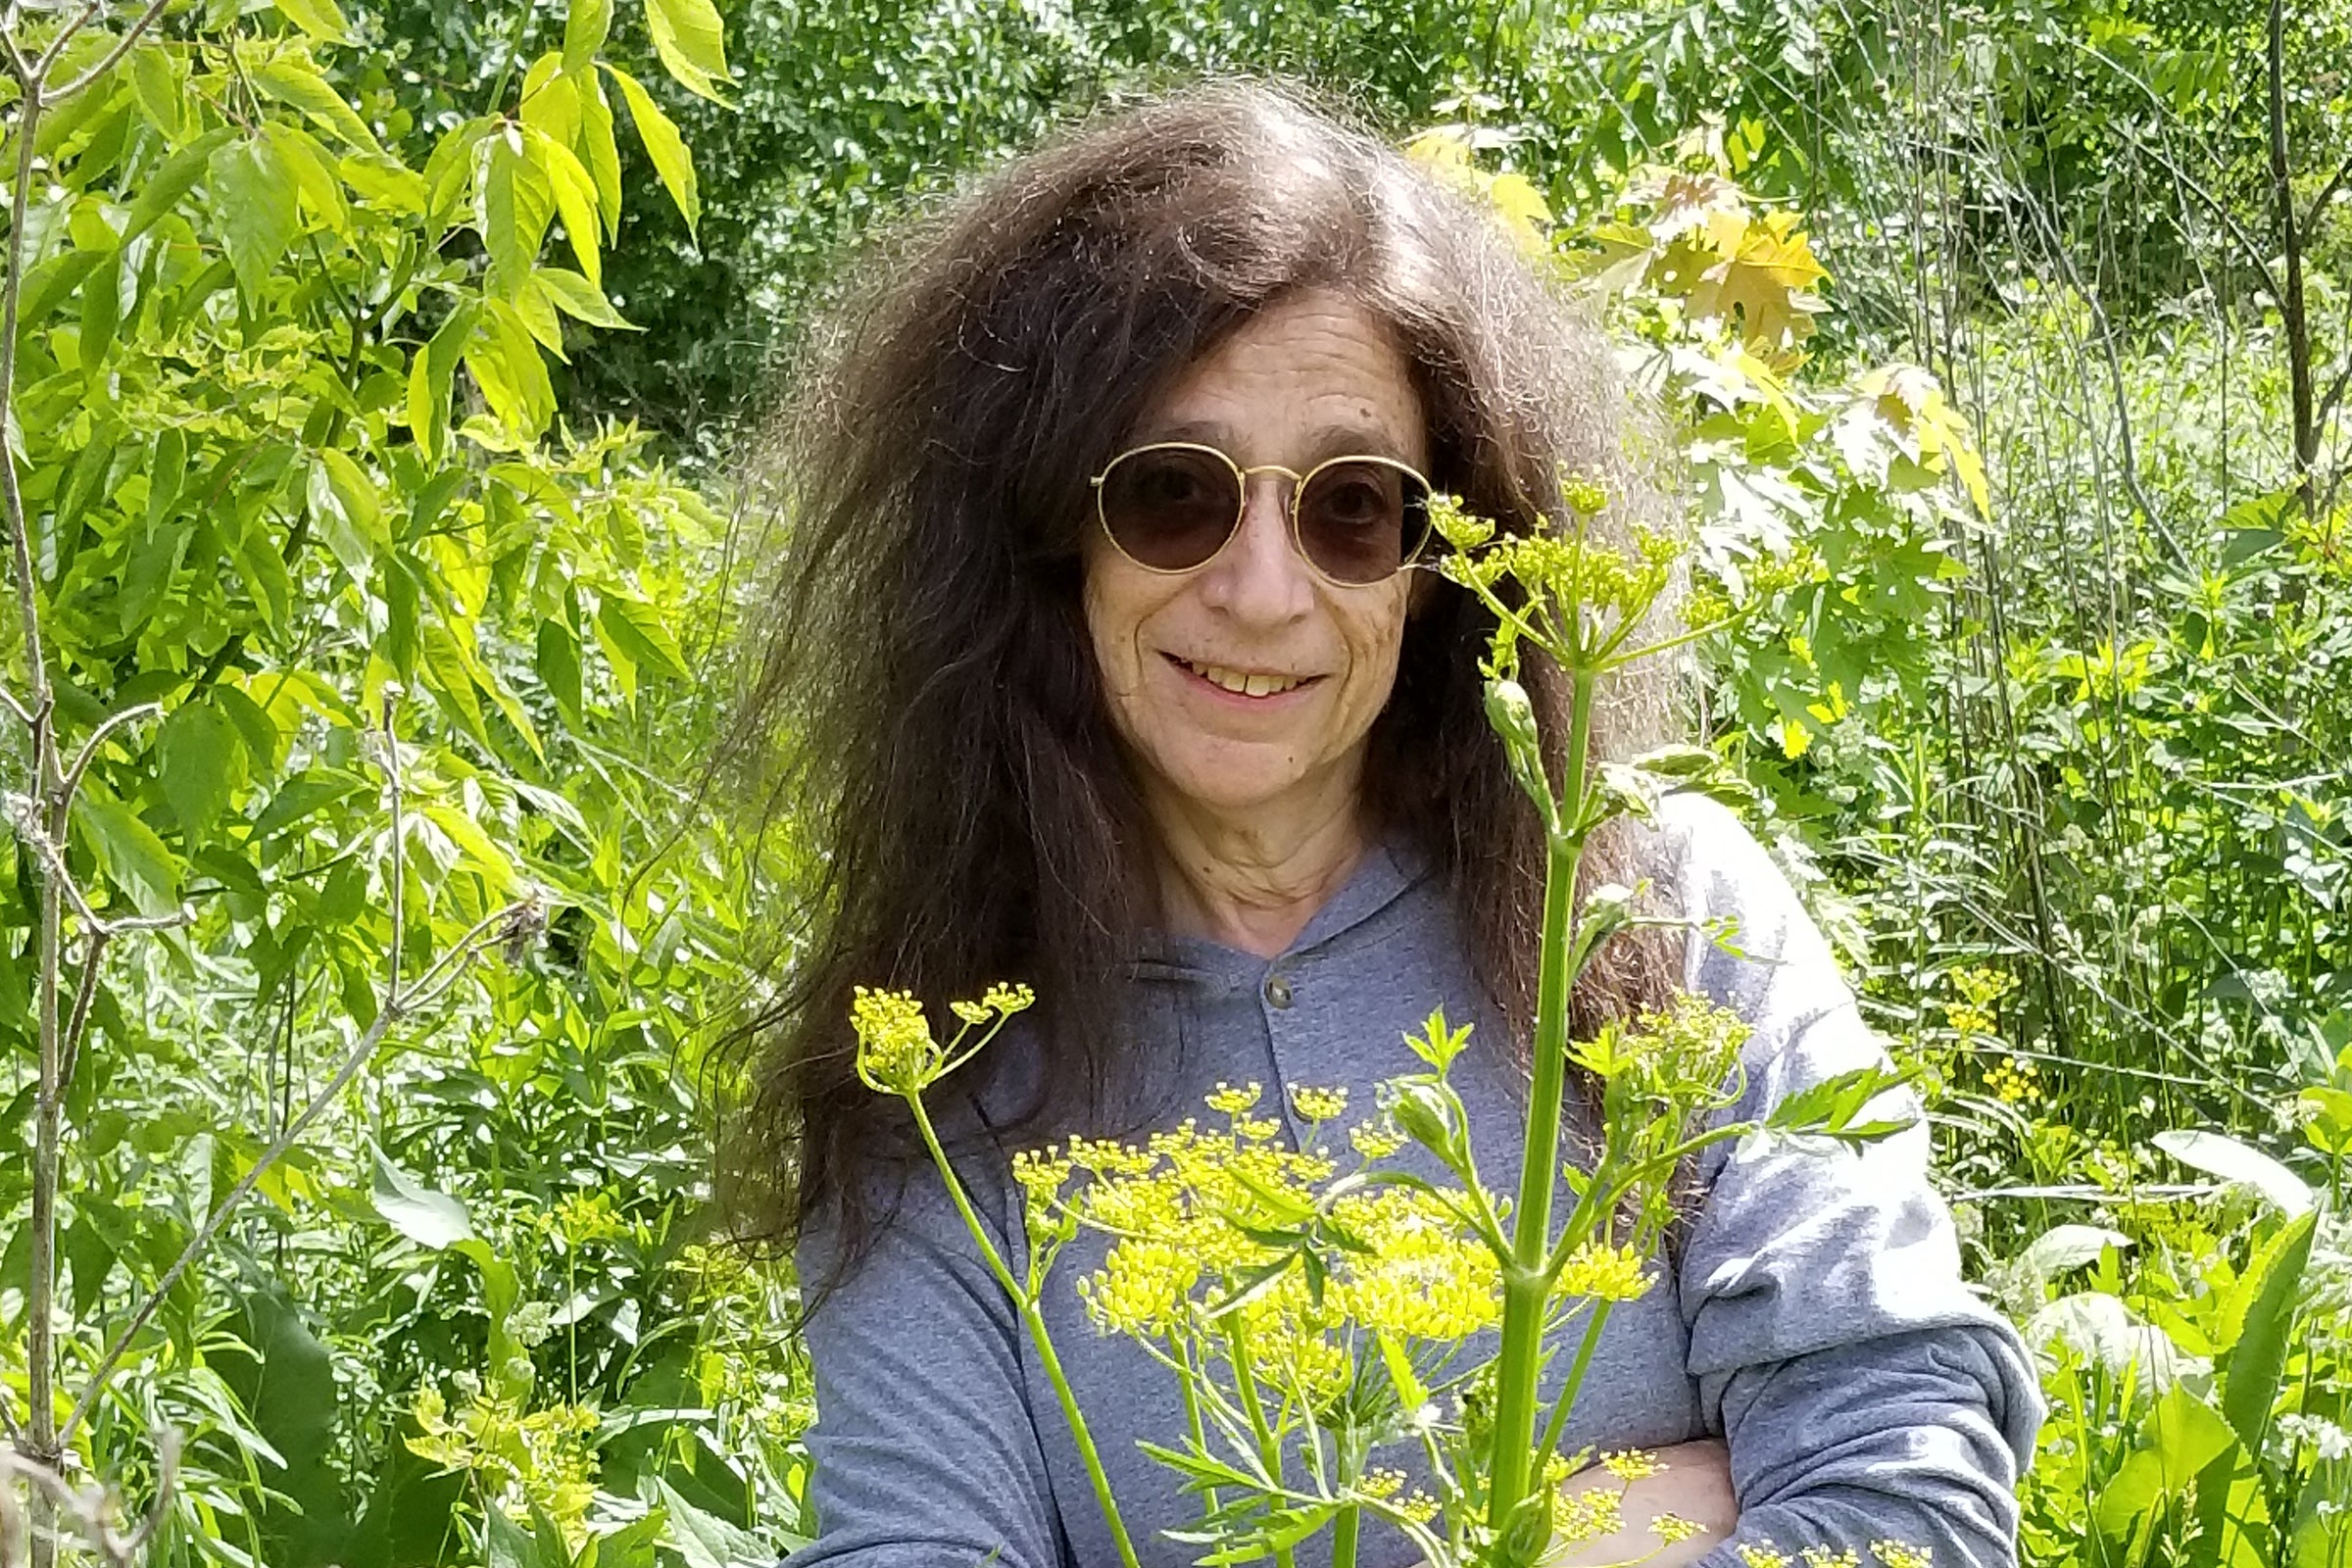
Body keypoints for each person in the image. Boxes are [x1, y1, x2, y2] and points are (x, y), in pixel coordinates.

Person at [726, 80, 2040, 1568]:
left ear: (1439, 565)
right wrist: (1596, 1523)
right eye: (1175, 495)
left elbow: (1910, 1508)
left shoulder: (1656, 915)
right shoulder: (935, 1074)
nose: (1266, 591)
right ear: (1047, 534)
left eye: (1355, 507)